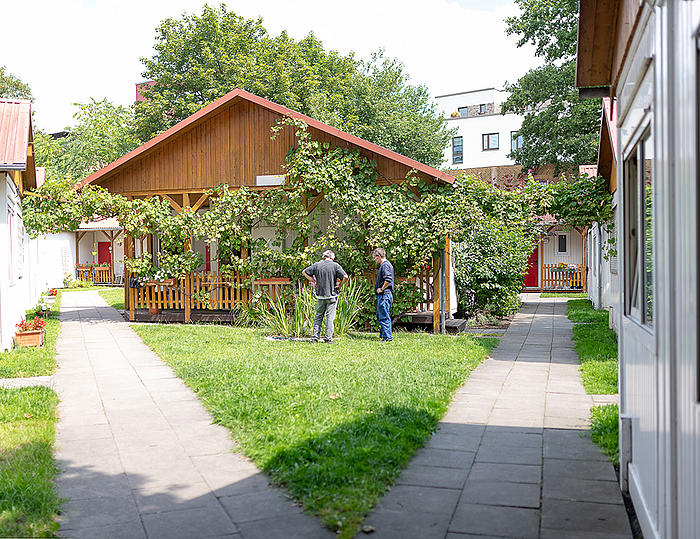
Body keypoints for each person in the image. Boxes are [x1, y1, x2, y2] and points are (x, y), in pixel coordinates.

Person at [302, 250, 348, 342]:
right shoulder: (335, 265)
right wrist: (340, 285)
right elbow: (345, 277)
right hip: (331, 296)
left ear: (323, 257)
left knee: (318, 317)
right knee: (330, 318)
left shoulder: (317, 265)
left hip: (320, 296)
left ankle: (315, 337)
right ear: (332, 258)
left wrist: (313, 281)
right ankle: (328, 338)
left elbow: (304, 272)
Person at [372, 248, 394, 341]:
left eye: (374, 258)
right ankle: (383, 335)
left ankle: (387, 337)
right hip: (384, 295)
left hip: (385, 295)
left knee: (384, 316)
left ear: (379, 256)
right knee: (381, 315)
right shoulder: (385, 265)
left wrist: (381, 289)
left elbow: (388, 279)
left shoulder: (385, 266)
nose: (374, 260)